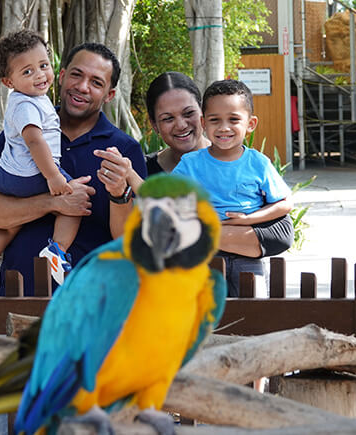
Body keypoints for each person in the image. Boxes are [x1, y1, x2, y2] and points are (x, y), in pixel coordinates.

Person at [0, 42, 148, 295]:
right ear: (62, 76)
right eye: (77, 74)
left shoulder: (124, 149)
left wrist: (120, 194)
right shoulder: (21, 132)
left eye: (97, 82)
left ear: (110, 95)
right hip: (17, 295)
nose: (83, 87)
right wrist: (53, 204)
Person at [97, 73, 294, 297]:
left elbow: (281, 231)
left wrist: (244, 220)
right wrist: (127, 177)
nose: (181, 124)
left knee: (253, 316)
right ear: (155, 125)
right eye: (167, 118)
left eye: (188, 113)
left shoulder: (255, 163)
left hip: (246, 264)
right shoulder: (185, 166)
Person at [0, 30, 77, 287]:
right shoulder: (28, 105)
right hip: (31, 175)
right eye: (27, 72)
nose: (39, 75)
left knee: (9, 224)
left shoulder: (28, 99)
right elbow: (34, 141)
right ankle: (57, 251)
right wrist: (54, 177)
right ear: (8, 82)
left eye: (43, 65)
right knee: (75, 199)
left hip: (11, 177)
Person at [171, 79, 293, 297]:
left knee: (253, 311)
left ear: (251, 124)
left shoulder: (258, 163)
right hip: (204, 256)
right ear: (203, 123)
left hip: (247, 253)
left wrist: (249, 219)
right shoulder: (191, 163)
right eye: (215, 120)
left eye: (234, 119)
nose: (224, 127)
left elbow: (285, 203)